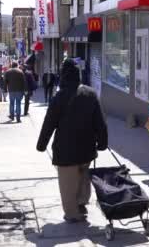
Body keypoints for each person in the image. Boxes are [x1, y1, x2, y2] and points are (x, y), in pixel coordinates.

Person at [36, 59, 108, 223]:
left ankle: (72, 213)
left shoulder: (59, 97)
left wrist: (42, 145)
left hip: (66, 149)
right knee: (83, 177)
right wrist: (102, 142)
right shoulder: (90, 94)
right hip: (87, 147)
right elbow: (100, 122)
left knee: (68, 182)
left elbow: (49, 123)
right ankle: (81, 202)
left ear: (63, 76)